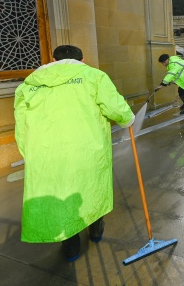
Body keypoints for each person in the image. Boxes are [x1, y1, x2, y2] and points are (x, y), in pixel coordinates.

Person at [14, 45, 135, 262]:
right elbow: (116, 108)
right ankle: (96, 231)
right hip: (86, 150)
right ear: (83, 58)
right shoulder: (93, 76)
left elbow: (21, 125)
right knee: (92, 189)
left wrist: (29, 153)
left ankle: (70, 246)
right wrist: (128, 119)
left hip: (47, 154)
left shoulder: (29, 84)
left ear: (52, 58)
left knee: (61, 195)